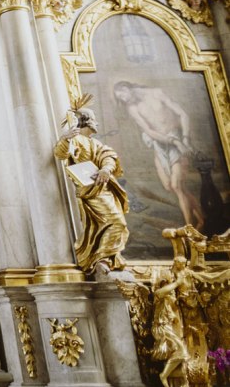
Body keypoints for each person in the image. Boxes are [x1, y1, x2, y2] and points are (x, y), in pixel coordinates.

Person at [114, 81, 204, 229]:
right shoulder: (132, 108)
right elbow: (149, 131)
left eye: (123, 95)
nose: (123, 99)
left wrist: (185, 139)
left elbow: (182, 114)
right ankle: (201, 219)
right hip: (161, 143)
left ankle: (189, 229)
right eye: (120, 99)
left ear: (127, 88)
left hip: (176, 136)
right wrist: (173, 142)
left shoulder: (157, 93)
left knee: (177, 185)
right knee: (170, 186)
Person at [54, 95, 128, 273]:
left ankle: (106, 259)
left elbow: (108, 157)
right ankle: (100, 258)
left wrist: (106, 169)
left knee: (116, 223)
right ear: (86, 121)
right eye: (94, 119)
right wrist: (66, 139)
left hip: (103, 188)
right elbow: (60, 154)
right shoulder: (76, 140)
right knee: (117, 223)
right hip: (89, 188)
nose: (97, 123)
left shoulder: (96, 143)